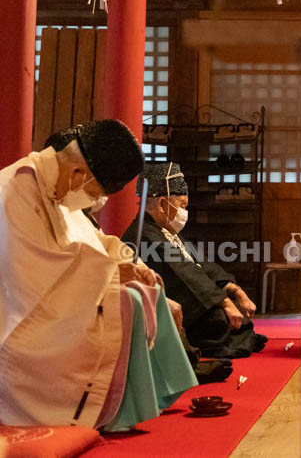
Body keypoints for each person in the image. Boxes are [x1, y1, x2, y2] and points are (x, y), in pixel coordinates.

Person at [0, 120, 196, 429]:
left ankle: (149, 397)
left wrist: (134, 265)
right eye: (95, 193)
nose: (94, 203)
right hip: (20, 318)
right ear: (79, 172)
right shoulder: (17, 189)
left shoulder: (59, 183)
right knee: (127, 301)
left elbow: (96, 241)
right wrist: (113, 272)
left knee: (145, 289)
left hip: (59, 292)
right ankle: (116, 410)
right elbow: (31, 271)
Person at [124, 162, 267, 359]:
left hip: (193, 299)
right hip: (168, 305)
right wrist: (224, 303)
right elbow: (185, 273)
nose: (184, 212)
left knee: (231, 314)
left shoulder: (166, 231)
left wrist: (236, 292)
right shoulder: (145, 235)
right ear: (162, 204)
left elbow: (202, 265)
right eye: (182, 206)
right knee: (218, 319)